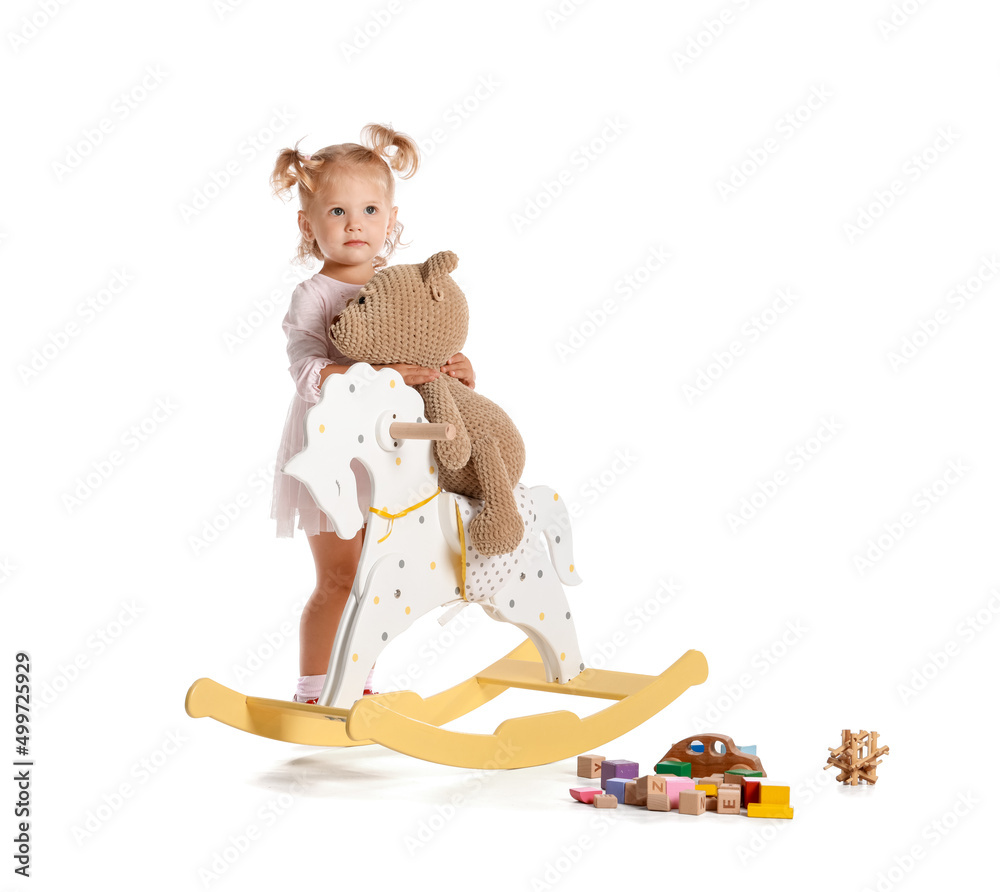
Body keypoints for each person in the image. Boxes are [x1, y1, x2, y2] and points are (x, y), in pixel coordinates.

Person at [268, 123, 476, 703]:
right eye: (336, 211)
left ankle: (355, 686)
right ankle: (315, 691)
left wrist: (454, 368)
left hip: (393, 451)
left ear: (391, 220)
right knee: (339, 577)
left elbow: (425, 350)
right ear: (309, 225)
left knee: (377, 578)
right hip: (332, 450)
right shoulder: (314, 296)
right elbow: (307, 372)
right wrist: (380, 376)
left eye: (367, 209)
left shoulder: (401, 289)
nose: (353, 223)